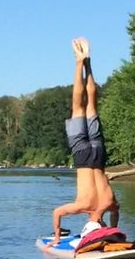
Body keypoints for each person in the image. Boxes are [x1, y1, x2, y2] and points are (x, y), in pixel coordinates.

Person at [48, 38, 119, 245]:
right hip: (82, 157)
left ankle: (87, 63)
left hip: (98, 155)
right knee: (78, 107)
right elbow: (57, 213)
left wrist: (112, 228)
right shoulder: (82, 206)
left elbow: (116, 213)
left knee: (92, 105)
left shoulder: (110, 203)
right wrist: (57, 237)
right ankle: (79, 62)